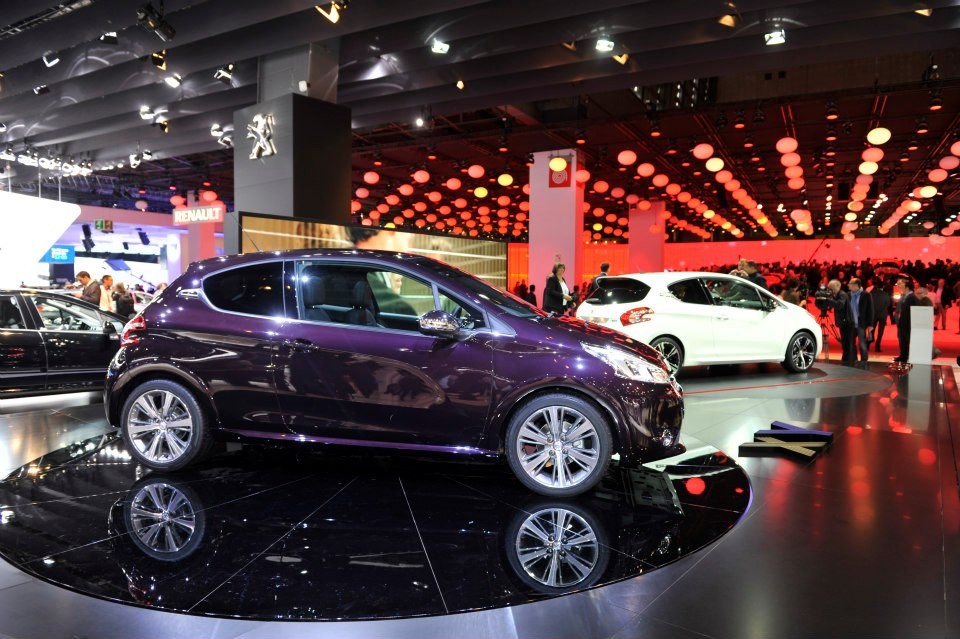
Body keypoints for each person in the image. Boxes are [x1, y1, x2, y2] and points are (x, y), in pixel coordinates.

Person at [846, 278, 873, 368]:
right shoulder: (848, 295)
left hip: (861, 324)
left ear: (857, 285)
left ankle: (864, 360)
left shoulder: (866, 295)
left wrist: (870, 324)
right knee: (851, 343)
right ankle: (854, 359)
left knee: (862, 343)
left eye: (850, 284)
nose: (848, 285)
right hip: (851, 324)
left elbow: (870, 310)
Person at [826, 279, 852, 366]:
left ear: (838, 287)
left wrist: (828, 300)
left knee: (847, 341)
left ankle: (847, 359)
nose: (831, 290)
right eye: (830, 288)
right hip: (842, 321)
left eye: (832, 288)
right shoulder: (836, 295)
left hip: (847, 321)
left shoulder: (842, 295)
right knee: (844, 341)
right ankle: (846, 358)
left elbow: (839, 305)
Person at [894, 278, 918, 366]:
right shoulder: (905, 296)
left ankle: (904, 357)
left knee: (905, 340)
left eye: (901, 284)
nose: (899, 286)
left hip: (907, 323)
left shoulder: (911, 297)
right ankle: (903, 356)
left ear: (907, 287)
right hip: (903, 322)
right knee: (902, 339)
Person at [869, 280, 891, 353]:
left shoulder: (871, 294)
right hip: (882, 314)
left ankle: (868, 344)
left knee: (871, 329)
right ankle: (877, 346)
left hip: (873, 314)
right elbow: (889, 304)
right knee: (880, 331)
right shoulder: (886, 294)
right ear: (883, 287)